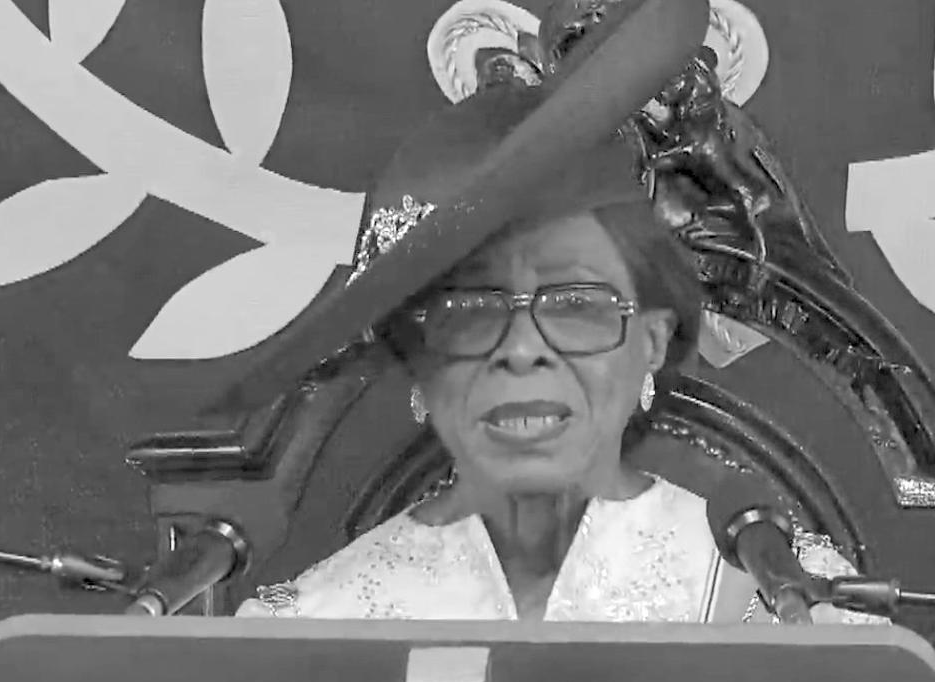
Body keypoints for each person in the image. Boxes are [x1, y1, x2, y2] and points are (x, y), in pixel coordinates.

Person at [234, 70, 884, 625]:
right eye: (471, 312)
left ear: (651, 344)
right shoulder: (307, 632)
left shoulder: (801, 613)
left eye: (575, 306)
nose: (523, 352)